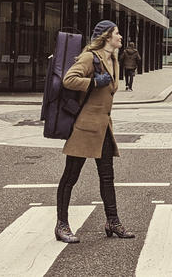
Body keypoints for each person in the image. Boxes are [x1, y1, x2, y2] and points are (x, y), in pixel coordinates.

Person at [54, 20, 135, 243]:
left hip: (103, 128)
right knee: (70, 177)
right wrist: (92, 82)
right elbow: (69, 79)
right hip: (84, 127)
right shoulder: (91, 57)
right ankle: (61, 225)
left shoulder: (114, 58)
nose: (120, 36)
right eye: (117, 33)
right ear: (107, 36)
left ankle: (113, 221)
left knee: (107, 177)